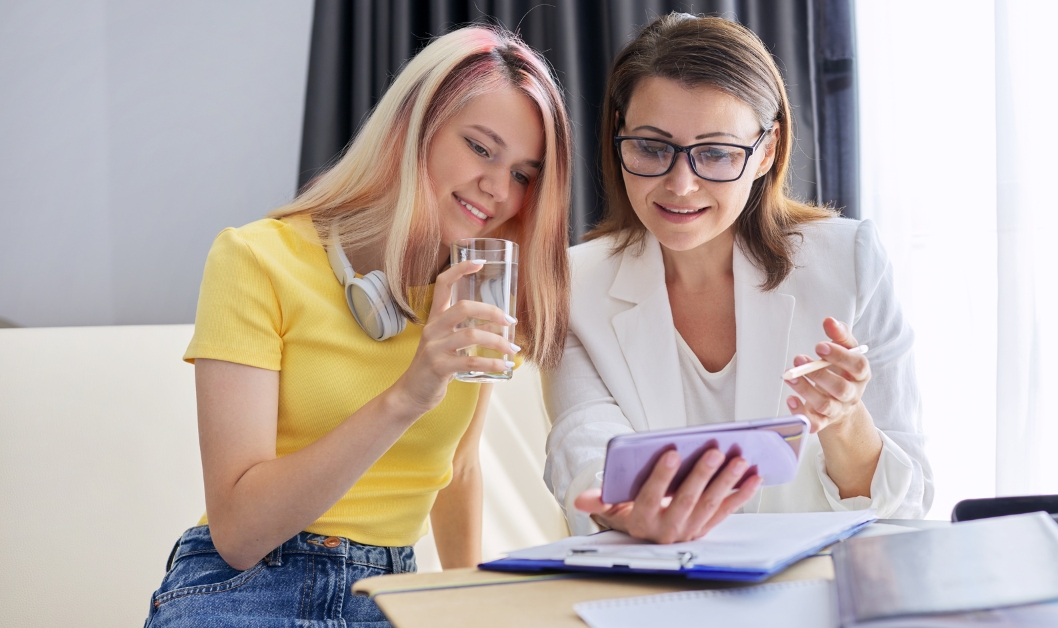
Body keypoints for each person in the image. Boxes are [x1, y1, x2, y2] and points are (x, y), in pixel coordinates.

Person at [144, 25, 571, 627]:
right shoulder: (257, 260)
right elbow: (239, 533)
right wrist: (407, 396)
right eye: (480, 148)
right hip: (246, 587)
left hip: (389, 591)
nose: (499, 189)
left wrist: (469, 606)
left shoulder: (473, 291)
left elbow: (460, 470)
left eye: (525, 174)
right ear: (410, 130)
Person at [542, 13, 933, 542]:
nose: (681, 185)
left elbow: (907, 503)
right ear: (619, 136)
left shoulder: (849, 260)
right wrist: (625, 509)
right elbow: (586, 455)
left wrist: (845, 420)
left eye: (716, 153)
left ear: (766, 152)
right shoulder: (573, 282)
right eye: (653, 148)